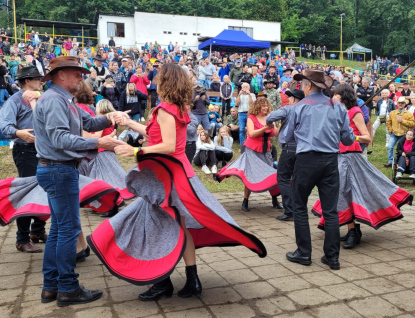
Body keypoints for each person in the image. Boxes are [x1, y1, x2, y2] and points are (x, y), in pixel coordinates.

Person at [88, 63, 266, 301]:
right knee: (178, 226)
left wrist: (135, 152)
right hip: (176, 175)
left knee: (158, 226)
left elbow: (168, 146)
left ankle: (163, 283)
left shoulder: (164, 109)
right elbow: (155, 134)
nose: (155, 82)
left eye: (159, 79)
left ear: (166, 82)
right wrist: (128, 123)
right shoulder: (178, 108)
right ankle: (191, 280)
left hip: (167, 177)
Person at [32, 56, 128, 306]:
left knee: (60, 230)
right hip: (59, 170)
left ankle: (51, 287)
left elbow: (88, 123)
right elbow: (61, 139)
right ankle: (67, 288)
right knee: (67, 231)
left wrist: (110, 117)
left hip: (58, 170)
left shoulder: (65, 100)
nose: (81, 78)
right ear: (61, 75)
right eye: (77, 74)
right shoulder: (55, 100)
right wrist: (99, 142)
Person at [312, 84, 412, 249]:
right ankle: (353, 230)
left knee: (343, 191)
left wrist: (352, 137)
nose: (333, 97)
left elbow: (367, 137)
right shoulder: (338, 112)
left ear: (343, 95)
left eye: (335, 95)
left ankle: (353, 231)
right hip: (337, 157)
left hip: (351, 157)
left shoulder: (355, 112)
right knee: (344, 193)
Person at [285, 69, 356, 270]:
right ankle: (332, 257)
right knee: (330, 210)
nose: (301, 88)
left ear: (308, 85)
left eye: (302, 85)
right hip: (330, 161)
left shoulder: (299, 107)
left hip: (306, 160)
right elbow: (348, 139)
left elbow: (286, 137)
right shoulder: (338, 107)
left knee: (299, 207)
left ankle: (304, 253)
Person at [0, 66, 47, 253]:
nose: (41, 82)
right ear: (27, 81)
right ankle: (21, 238)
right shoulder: (14, 100)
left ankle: (37, 231)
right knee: (28, 192)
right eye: (38, 79)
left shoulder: (42, 99)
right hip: (24, 150)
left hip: (42, 150)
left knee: (44, 191)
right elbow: (4, 126)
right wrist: (18, 132)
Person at [216, 97, 282, 211]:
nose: (266, 107)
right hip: (252, 150)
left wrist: (281, 126)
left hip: (266, 151)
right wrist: (266, 127)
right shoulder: (251, 118)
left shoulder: (271, 118)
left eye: (267, 105)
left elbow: (275, 134)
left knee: (271, 173)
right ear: (257, 107)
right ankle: (245, 201)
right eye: (263, 105)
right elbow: (252, 133)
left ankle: (275, 200)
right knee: (250, 175)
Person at [266, 89, 305, 222]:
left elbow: (270, 117)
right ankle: (298, 209)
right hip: (303, 149)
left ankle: (289, 211)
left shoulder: (288, 109)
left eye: (290, 97)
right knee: (296, 179)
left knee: (283, 178)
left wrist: (273, 123)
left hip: (289, 148)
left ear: (294, 99)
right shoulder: (307, 110)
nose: (288, 99)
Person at [385, 96, 415, 167]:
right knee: (389, 147)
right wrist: (390, 130)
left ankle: (403, 161)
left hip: (404, 134)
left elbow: (412, 124)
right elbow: (388, 122)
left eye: (402, 103)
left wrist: (403, 121)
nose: (400, 104)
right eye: (399, 103)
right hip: (394, 133)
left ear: (405, 104)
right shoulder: (393, 113)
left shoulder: (408, 114)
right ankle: (390, 161)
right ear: (397, 104)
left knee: (403, 149)